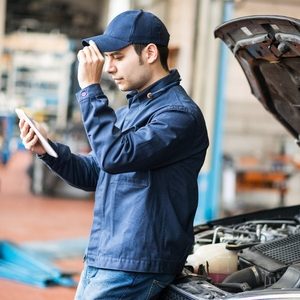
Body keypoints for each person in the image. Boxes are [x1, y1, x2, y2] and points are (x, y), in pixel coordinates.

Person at [19, 9, 209, 300]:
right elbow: (94, 172)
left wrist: (90, 90)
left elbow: (115, 156)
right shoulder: (129, 112)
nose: (109, 68)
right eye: (106, 58)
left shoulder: (179, 115)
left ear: (149, 53)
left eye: (117, 57)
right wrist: (48, 150)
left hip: (136, 265)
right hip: (105, 257)